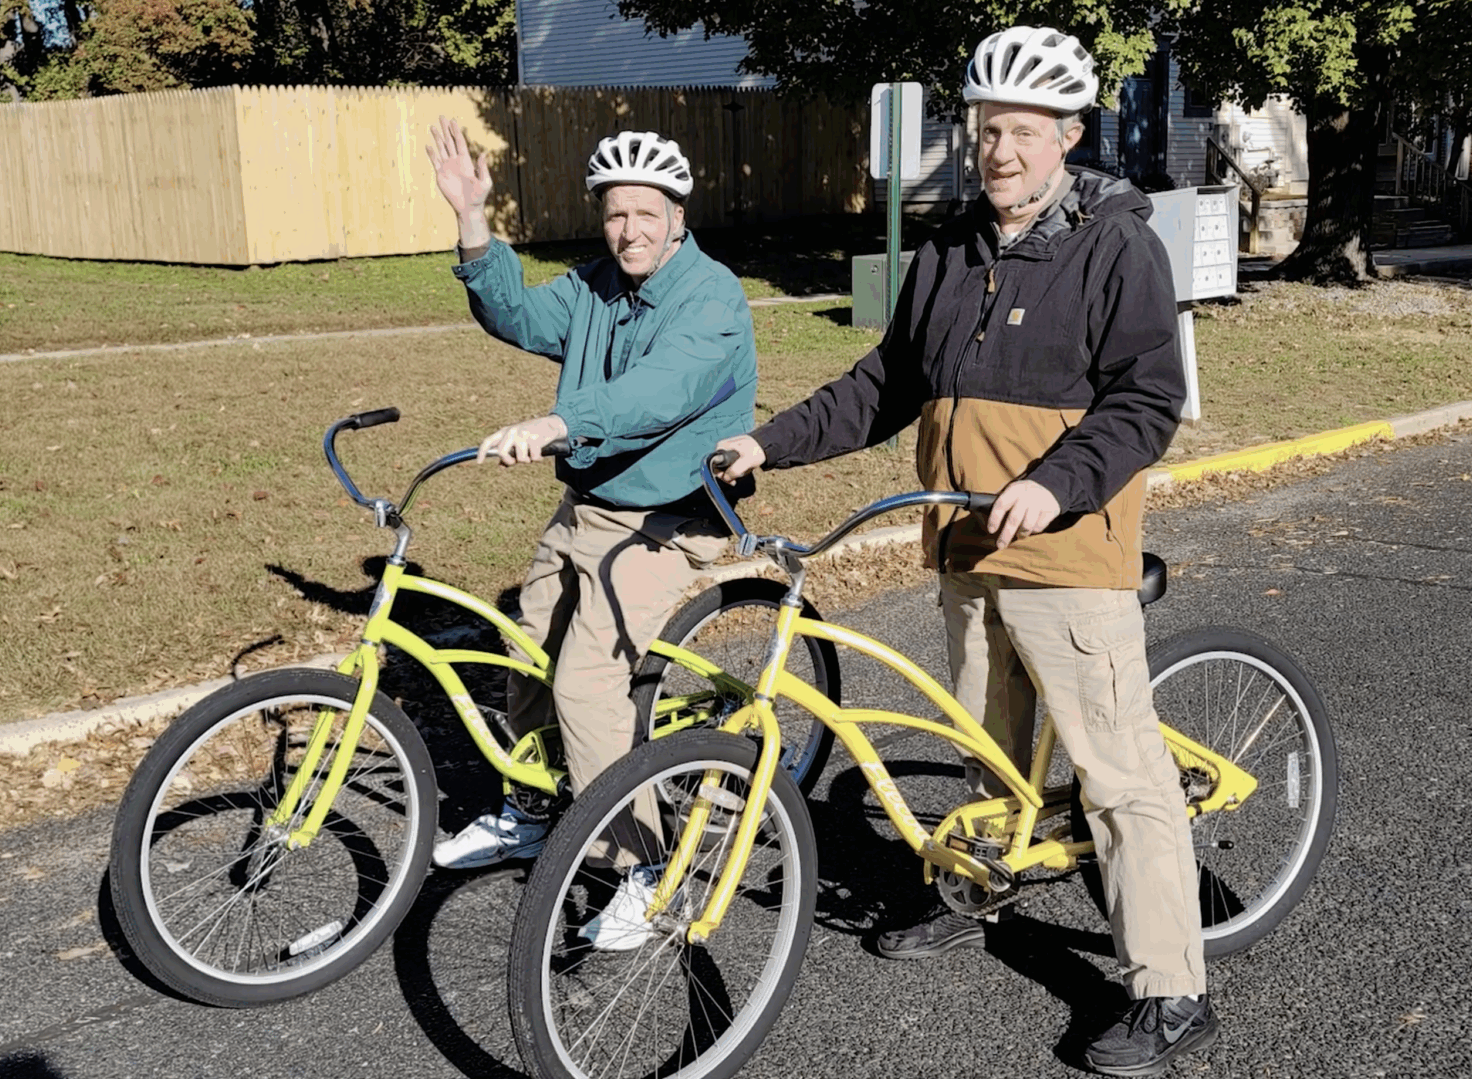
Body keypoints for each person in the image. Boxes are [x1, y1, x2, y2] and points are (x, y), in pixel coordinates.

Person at [713, 26, 1215, 1076]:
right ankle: (979, 892)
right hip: (964, 547)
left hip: (1067, 552)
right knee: (994, 746)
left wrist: (1056, 482)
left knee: (1118, 773)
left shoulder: (1115, 243)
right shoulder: (949, 248)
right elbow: (882, 384)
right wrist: (769, 442)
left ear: (1068, 136)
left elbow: (1147, 400)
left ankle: (1172, 988)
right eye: (990, 130)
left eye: (1025, 134)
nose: (1001, 151)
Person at [424, 119, 757, 949]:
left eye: (647, 213)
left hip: (669, 521)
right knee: (525, 647)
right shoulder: (597, 284)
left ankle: (644, 865)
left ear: (679, 214)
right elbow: (518, 316)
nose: (630, 230)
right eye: (615, 213)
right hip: (587, 509)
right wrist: (472, 219)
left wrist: (561, 420)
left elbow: (655, 392)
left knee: (585, 684)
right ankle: (534, 806)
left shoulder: (712, 298)